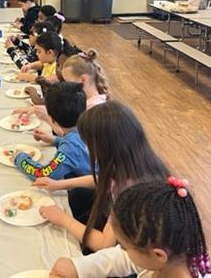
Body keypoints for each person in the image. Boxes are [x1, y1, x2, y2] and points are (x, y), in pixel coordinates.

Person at [33, 101, 170, 253]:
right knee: (78, 194)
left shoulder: (128, 190)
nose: (88, 149)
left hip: (125, 252)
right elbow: (105, 179)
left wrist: (63, 219)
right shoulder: (136, 161)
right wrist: (59, 184)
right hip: (120, 228)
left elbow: (105, 244)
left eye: (89, 144)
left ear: (104, 147)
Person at [50, 179, 211, 278]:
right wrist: (78, 267)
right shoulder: (174, 254)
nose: (122, 250)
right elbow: (121, 258)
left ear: (158, 254)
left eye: (125, 247)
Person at [14, 82, 90, 182]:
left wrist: (20, 158)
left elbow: (43, 174)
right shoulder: (89, 126)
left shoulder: (70, 148)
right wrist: (55, 140)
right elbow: (79, 147)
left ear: (52, 119)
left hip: (91, 193)